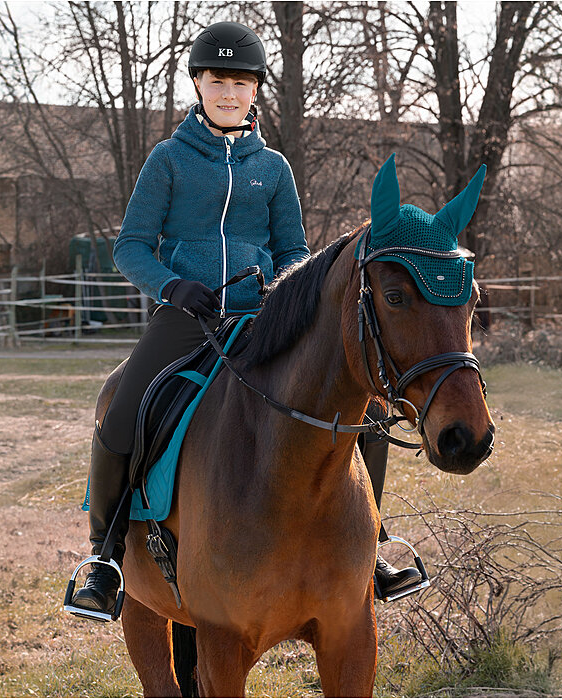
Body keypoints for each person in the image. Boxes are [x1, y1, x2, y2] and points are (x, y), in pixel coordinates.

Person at [69, 21, 419, 618]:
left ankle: (375, 547)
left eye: (241, 82)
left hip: (264, 320)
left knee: (367, 407)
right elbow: (131, 246)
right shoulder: (169, 160)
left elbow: (293, 254)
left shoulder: (274, 168)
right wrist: (174, 286)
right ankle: (104, 557)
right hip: (187, 317)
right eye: (217, 81)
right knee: (125, 406)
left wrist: (285, 296)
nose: (229, 92)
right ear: (198, 84)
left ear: (255, 89)